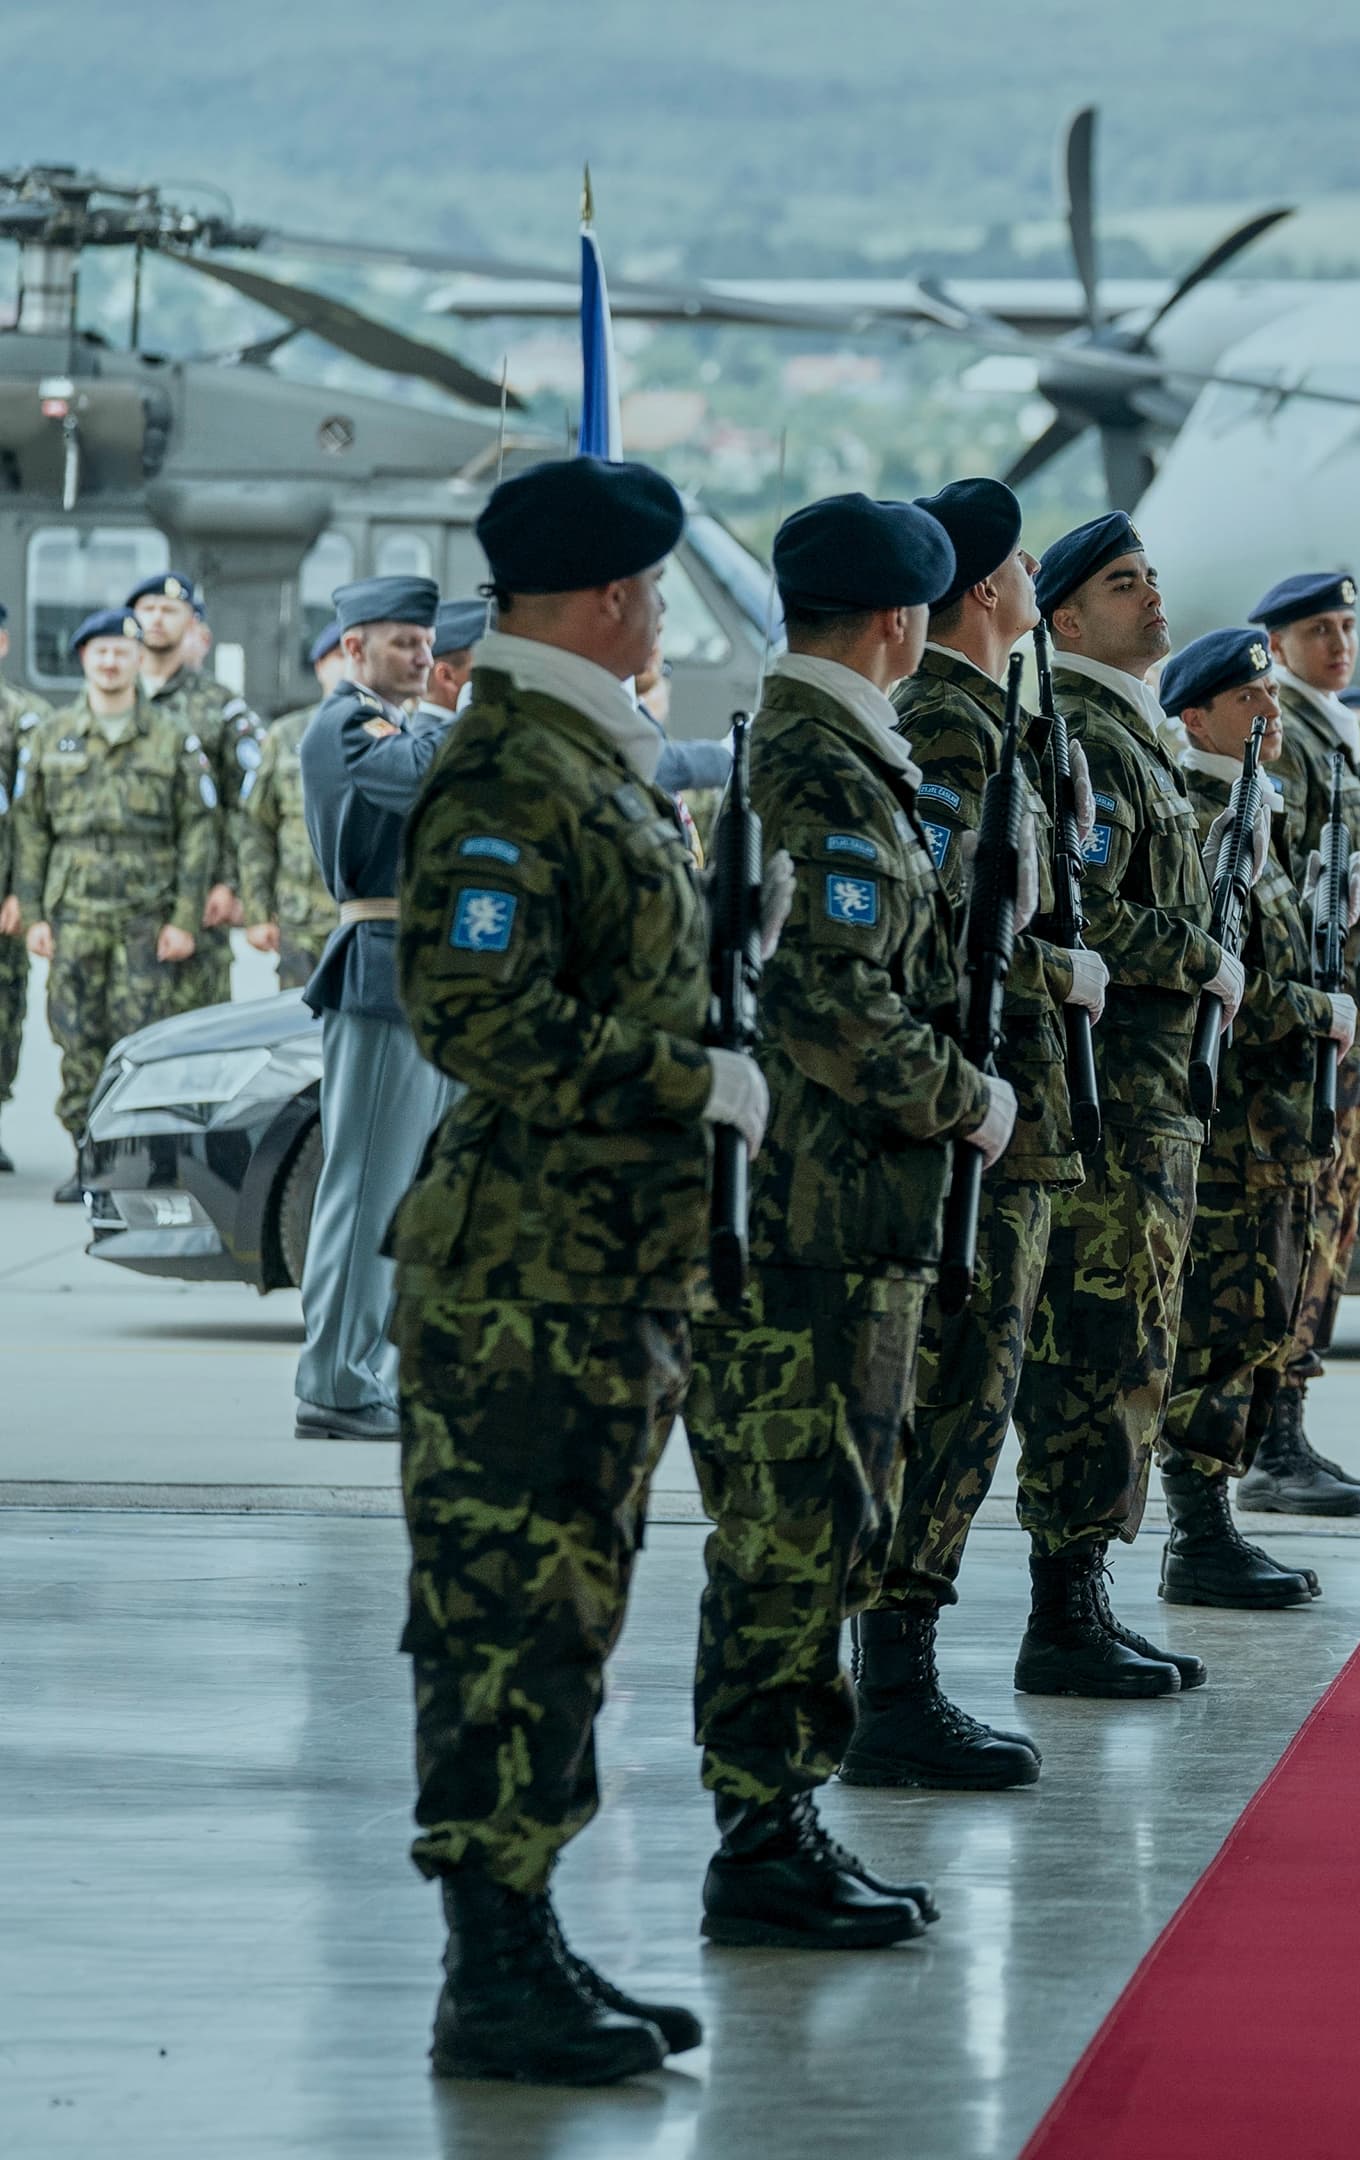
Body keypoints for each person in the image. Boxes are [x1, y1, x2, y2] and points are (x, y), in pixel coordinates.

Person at [387, 454, 721, 2081]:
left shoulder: (587, 759)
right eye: (649, 590)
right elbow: (473, 1011)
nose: (655, 615)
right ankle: (492, 1968)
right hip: (519, 1279)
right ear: (609, 599)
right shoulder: (512, 768)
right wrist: (688, 1079)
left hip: (602, 1267)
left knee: (568, 1611)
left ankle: (528, 1931)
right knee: (504, 1619)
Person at [679, 494, 999, 1952]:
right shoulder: (817, 764)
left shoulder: (838, 751)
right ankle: (762, 1836)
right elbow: (832, 1000)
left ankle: (783, 1820)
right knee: (790, 1531)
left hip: (847, 1213)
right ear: (898, 623)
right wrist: (971, 1100)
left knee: (824, 1524)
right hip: (811, 1219)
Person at [869, 475, 1094, 1780]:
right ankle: (894, 1681)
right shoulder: (949, 728)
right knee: (953, 1397)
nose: (1030, 583)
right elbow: (954, 930)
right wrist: (1063, 974)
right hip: (980, 1112)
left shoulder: (997, 720)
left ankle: (905, 1669)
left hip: (1015, 1106)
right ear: (986, 589)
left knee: (975, 1392)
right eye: (1018, 565)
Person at [1013, 511, 1236, 1698]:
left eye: (1151, 575)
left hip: (1155, 1096)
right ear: (1064, 619)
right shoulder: (1086, 734)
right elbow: (1084, 912)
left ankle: (1087, 1591)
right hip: (1112, 1103)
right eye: (1120, 583)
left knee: (1137, 1344)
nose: (1151, 595)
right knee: (1097, 1349)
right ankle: (1062, 1614)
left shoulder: (1131, 730)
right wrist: (1202, 956)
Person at [1154, 624, 1360, 1592]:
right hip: (1232, 1131)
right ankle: (1197, 1537)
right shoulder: (1205, 820)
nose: (1270, 712)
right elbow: (1227, 983)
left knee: (1257, 1324)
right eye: (1248, 699)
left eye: (1270, 695)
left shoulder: (1254, 809)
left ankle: (1216, 1525)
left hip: (1274, 1130)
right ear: (1196, 719)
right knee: (1216, 1331)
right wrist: (1320, 1010)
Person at [1242, 573, 1360, 1518]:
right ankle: (1271, 1439)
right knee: (1301, 1234)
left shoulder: (1334, 735)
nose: (1339, 644)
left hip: (1352, 1030)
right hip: (1315, 1033)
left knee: (1330, 1233)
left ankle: (1291, 1424)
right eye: (1318, 630)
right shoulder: (1290, 735)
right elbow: (1298, 865)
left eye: (1347, 626)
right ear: (1277, 644)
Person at [288, 574, 450, 1442]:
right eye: (404, 643)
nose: (423, 657)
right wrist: (457, 713)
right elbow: (419, 777)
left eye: (427, 643)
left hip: (418, 970)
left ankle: (372, 1374)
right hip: (378, 968)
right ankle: (336, 1383)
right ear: (354, 648)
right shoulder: (347, 724)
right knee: (365, 1191)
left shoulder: (402, 721)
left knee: (405, 1191)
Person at [7, 607, 222, 1197]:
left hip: (145, 918)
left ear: (137, 658)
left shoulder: (172, 736)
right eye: (100, 651)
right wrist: (33, 913)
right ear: (84, 657)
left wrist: (185, 918)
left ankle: (142, 1160)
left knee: (141, 1041)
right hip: (74, 915)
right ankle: (89, 1159)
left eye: (121, 652)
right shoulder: (51, 735)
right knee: (77, 1039)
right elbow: (30, 830)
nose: (110, 661)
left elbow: (198, 830)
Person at [124, 572, 250, 1016]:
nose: (157, 619)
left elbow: (245, 802)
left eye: (170, 610)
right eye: (148, 609)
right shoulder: (111, 696)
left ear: (192, 623)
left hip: (199, 900)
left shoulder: (220, 705)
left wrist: (230, 882)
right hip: (121, 899)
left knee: (199, 1029)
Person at [239, 626, 351, 992]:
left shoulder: (394, 731)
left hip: (366, 923)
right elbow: (257, 826)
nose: (349, 665)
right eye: (339, 656)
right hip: (300, 923)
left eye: (357, 655)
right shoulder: (286, 735)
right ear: (320, 666)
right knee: (296, 1020)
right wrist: (257, 912)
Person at [0, 603, 54, 1173]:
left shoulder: (26, 718)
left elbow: (33, 816)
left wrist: (23, 891)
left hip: (3, 899)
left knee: (2, 1011)